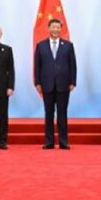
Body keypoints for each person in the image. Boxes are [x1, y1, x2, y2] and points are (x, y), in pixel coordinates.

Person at [34, 18, 77, 150]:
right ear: (49, 28)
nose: (55, 30)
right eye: (53, 27)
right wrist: (37, 82)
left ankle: (63, 141)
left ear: (61, 29)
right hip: (46, 85)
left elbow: (73, 65)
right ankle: (49, 142)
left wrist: (73, 81)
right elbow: (37, 66)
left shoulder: (68, 45)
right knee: (49, 114)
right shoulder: (41, 45)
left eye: (58, 27)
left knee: (62, 114)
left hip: (63, 85)